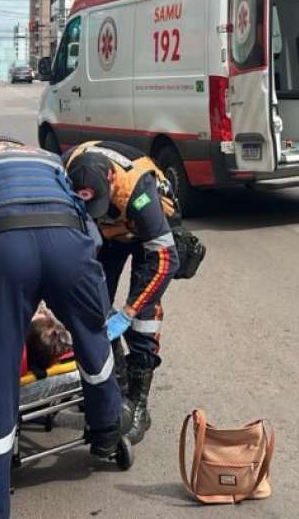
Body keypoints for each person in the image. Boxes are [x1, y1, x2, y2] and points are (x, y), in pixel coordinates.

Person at [0, 138, 124, 519]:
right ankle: (107, 430)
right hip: (69, 245)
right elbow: (89, 230)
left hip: (4, 247)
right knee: (94, 339)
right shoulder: (51, 161)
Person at [63, 141, 181, 446]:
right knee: (93, 305)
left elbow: (166, 260)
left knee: (144, 317)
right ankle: (113, 385)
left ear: (111, 178)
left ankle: (138, 403)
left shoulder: (139, 190)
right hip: (106, 234)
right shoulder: (65, 167)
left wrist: (128, 312)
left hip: (144, 234)